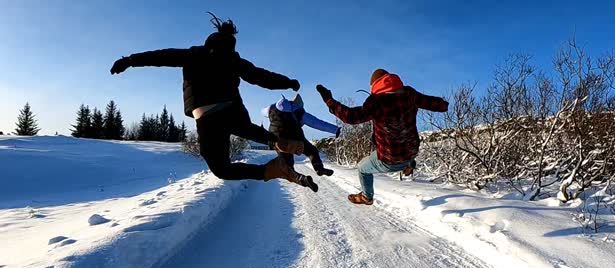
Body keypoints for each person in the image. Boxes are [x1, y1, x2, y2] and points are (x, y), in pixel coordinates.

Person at [109, 14, 305, 186]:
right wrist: (288, 82)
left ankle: (272, 169)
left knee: (222, 169)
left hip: (207, 116)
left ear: (210, 41)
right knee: (245, 128)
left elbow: (161, 56)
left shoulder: (194, 54)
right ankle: (277, 141)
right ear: (231, 43)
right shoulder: (234, 59)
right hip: (232, 109)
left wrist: (130, 60)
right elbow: (262, 77)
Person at [316, 69, 449, 205]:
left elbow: (350, 116)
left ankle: (367, 197)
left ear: (374, 85)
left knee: (362, 168)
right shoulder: (409, 93)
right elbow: (435, 103)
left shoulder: (376, 101)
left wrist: (329, 101)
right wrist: (444, 105)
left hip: (390, 160)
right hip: (411, 151)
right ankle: (408, 164)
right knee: (389, 142)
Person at [261, 94, 340, 192]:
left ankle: (303, 179)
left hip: (277, 139)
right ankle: (319, 168)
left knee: (287, 167)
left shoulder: (270, 109)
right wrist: (336, 130)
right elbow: (317, 123)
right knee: (312, 151)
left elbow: (262, 111)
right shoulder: (299, 112)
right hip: (296, 138)